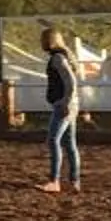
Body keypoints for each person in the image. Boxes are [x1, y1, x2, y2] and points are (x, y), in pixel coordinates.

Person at [38, 26, 81, 195]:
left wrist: (65, 102)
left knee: (53, 140)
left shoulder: (57, 59)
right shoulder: (64, 57)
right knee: (70, 144)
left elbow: (71, 82)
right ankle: (74, 181)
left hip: (63, 105)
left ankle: (54, 180)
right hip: (71, 104)